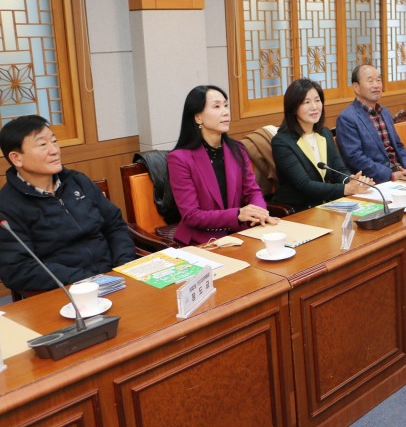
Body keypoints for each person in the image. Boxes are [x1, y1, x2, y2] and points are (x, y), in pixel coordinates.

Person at [0, 115, 136, 292]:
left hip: (115, 277)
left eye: (54, 141)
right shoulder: (7, 206)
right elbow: (19, 269)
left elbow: (115, 225)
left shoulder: (77, 182)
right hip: (67, 291)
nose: (54, 150)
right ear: (17, 158)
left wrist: (124, 265)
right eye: (42, 145)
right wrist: (88, 282)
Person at [168, 85, 278, 246]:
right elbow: (192, 215)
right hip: (201, 241)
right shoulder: (179, 159)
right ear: (198, 117)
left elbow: (252, 191)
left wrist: (259, 213)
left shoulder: (237, 149)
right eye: (217, 106)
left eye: (226, 105)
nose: (225, 112)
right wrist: (238, 214)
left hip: (239, 234)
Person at [272, 78, 374, 211]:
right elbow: (305, 185)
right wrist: (346, 189)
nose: (314, 107)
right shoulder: (281, 142)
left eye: (317, 100)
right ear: (293, 108)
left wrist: (352, 180)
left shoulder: (324, 133)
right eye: (306, 102)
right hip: (298, 210)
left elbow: (339, 170)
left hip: (325, 205)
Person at [336, 64, 406, 183]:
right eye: (370, 81)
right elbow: (355, 158)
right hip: (375, 182)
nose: (376, 85)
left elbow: (398, 145)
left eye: (378, 80)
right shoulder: (347, 118)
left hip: (401, 174)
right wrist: (391, 175)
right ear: (356, 87)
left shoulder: (385, 112)